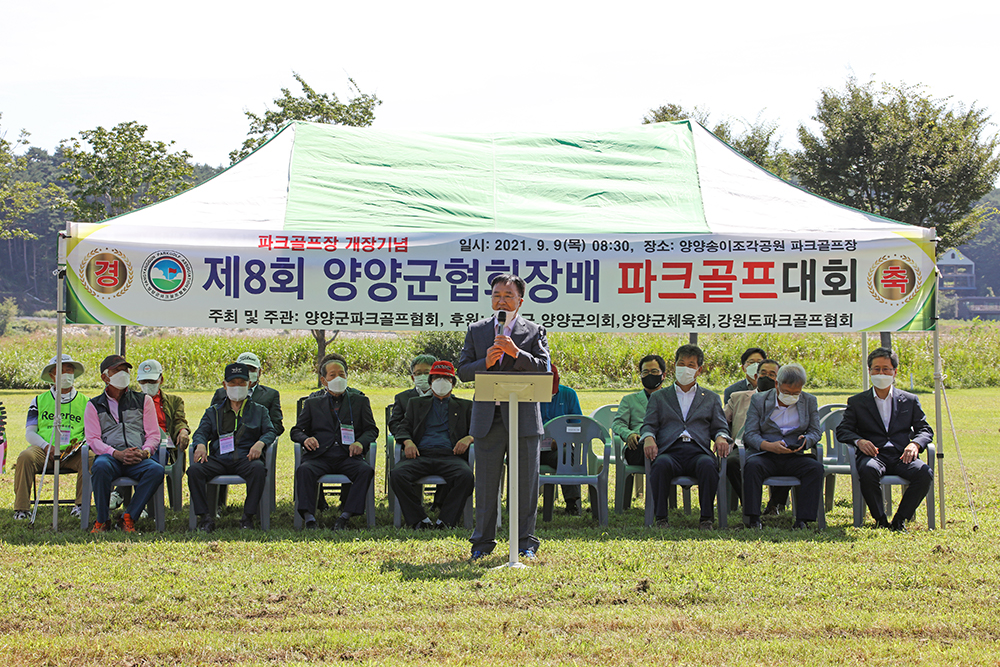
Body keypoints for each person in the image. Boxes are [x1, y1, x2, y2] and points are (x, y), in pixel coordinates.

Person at [458, 272, 551, 561]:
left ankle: (526, 544)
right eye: (497, 295)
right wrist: (483, 362)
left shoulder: (534, 331)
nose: (502, 300)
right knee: (486, 486)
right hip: (489, 417)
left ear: (520, 300)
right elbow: (462, 371)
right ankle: (481, 545)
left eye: (508, 296)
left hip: (523, 417)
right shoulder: (477, 330)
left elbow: (544, 369)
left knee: (525, 485)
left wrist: (516, 352)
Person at [837, 347, 933, 532]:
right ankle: (880, 520)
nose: (881, 373)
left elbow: (925, 429)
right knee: (868, 471)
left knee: (924, 473)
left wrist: (915, 443)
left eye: (886, 369)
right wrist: (859, 441)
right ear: (869, 371)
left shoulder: (910, 400)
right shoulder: (857, 401)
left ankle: (900, 520)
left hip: (901, 455)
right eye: (876, 369)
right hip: (873, 454)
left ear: (895, 372)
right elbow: (843, 430)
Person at [641, 344, 730, 530]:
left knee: (708, 466)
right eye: (682, 364)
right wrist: (648, 437)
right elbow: (649, 424)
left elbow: (720, 426)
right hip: (670, 450)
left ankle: (706, 519)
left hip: (698, 451)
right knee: (660, 466)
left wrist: (721, 437)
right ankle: (661, 519)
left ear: (699, 370)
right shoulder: (659, 397)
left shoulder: (711, 398)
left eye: (691, 365)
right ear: (674, 366)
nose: (685, 368)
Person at [291, 353, 379, 530]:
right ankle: (309, 518)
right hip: (319, 456)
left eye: (342, 374)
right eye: (333, 375)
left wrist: (360, 443)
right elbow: (296, 431)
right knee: (304, 470)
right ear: (324, 380)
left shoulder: (360, 401)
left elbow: (372, 430)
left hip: (348, 456)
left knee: (365, 471)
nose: (338, 378)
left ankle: (345, 516)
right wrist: (306, 438)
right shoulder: (312, 403)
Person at [187, 362, 276, 531]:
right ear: (224, 385)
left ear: (249, 384)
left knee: (258, 470)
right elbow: (201, 432)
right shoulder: (213, 411)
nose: (237, 387)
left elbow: (270, 431)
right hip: (219, 458)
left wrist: (260, 443)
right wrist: (199, 445)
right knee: (194, 471)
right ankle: (205, 518)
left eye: (241, 383)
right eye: (232, 383)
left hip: (246, 458)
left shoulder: (260, 411)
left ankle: (247, 518)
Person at [389, 361, 475, 529]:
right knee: (398, 475)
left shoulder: (465, 406)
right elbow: (403, 427)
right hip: (421, 454)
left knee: (465, 477)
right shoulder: (416, 404)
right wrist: (408, 442)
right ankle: (419, 520)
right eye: (437, 378)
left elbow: (478, 430)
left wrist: (469, 438)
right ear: (430, 382)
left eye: (446, 378)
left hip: (451, 456)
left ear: (453, 382)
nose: (441, 382)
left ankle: (446, 521)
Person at [83, 355, 163, 533]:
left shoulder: (143, 400)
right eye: (117, 371)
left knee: (156, 470)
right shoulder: (94, 405)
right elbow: (93, 440)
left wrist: (145, 452)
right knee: (100, 467)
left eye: (125, 370)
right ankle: (102, 520)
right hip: (110, 457)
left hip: (137, 456)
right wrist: (115, 453)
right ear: (105, 377)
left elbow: (153, 435)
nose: (123, 374)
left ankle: (128, 517)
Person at [741, 363, 824, 530]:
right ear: (777, 384)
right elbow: (749, 434)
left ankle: (803, 520)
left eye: (796, 393)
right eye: (787, 392)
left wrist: (805, 441)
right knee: (752, 467)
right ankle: (753, 519)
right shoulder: (759, 400)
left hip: (794, 455)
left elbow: (816, 431)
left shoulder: (809, 401)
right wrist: (769, 446)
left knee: (815, 469)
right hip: (766, 454)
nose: (791, 396)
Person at [13, 355, 92, 520]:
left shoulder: (86, 402)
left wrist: (76, 446)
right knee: (25, 457)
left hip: (73, 452)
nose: (65, 375)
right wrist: (46, 446)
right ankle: (22, 509)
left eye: (69, 371)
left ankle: (80, 506)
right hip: (44, 450)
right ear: (52, 375)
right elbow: (30, 432)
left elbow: (91, 433)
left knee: (91, 458)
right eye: (61, 371)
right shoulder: (39, 400)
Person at [211, 352, 283, 508]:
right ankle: (217, 504)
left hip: (254, 447)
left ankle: (253, 509)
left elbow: (277, 426)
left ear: (259, 372)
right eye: (245, 368)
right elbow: (212, 422)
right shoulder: (221, 393)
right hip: (226, 446)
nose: (249, 372)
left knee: (255, 468)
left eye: (252, 369)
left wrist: (259, 438)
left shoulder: (270, 395)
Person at [724, 359, 784, 512]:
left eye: (772, 374)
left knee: (792, 461)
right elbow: (720, 422)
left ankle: (773, 504)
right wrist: (722, 437)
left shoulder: (785, 399)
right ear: (756, 376)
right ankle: (750, 505)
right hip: (744, 446)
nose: (766, 377)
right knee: (731, 462)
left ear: (779, 379)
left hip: (773, 446)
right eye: (763, 373)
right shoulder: (737, 397)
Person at [612, 354, 667, 499]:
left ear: (663, 375)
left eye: (654, 372)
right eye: (645, 372)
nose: (649, 375)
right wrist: (628, 434)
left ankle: (658, 502)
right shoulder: (630, 400)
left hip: (664, 444)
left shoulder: (671, 398)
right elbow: (617, 423)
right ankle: (656, 502)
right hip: (637, 447)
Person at [538, 363, 584, 515]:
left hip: (556, 448)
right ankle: (521, 504)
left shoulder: (568, 394)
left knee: (566, 454)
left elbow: (577, 425)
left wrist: (561, 440)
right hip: (531, 447)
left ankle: (572, 504)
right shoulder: (528, 395)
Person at [388, 354, 437, 438]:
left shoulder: (444, 397)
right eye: (418, 373)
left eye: (426, 373)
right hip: (410, 442)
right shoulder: (402, 398)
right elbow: (394, 424)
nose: (422, 376)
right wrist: (406, 439)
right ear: (413, 377)